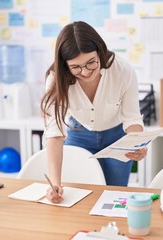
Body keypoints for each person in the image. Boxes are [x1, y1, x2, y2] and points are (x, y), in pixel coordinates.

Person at [41, 21, 146, 203]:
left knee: (116, 197)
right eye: (76, 67)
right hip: (78, 134)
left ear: (100, 51)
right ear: (65, 65)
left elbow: (132, 117)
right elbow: (54, 134)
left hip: (117, 137)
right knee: (80, 198)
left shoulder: (122, 70)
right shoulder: (56, 79)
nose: (86, 71)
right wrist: (55, 185)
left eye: (91, 62)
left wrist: (137, 144)